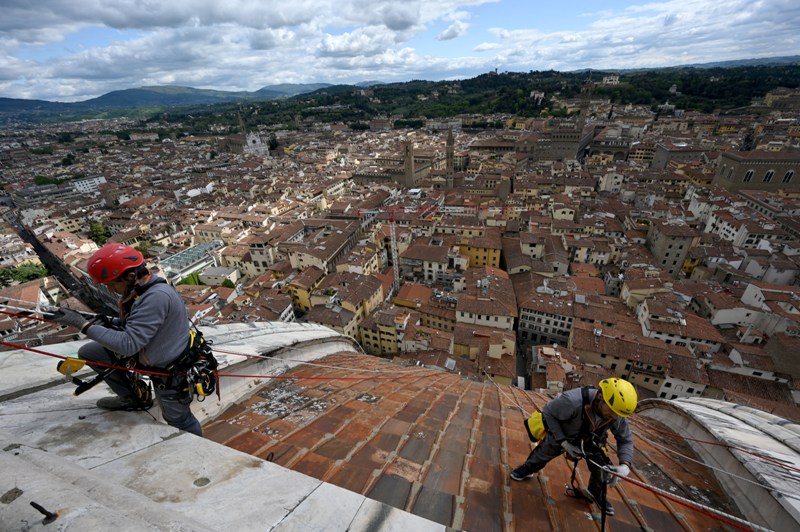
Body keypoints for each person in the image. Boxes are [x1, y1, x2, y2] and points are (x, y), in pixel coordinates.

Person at [50, 243, 202, 437]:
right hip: (152, 351)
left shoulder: (155, 297)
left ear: (130, 276)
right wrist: (107, 322)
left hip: (168, 366)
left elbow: (129, 345)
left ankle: (202, 456)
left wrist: (84, 325)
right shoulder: (142, 289)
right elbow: (137, 324)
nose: (110, 289)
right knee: (90, 352)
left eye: (112, 283)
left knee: (178, 419)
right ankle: (132, 398)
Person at [510, 378, 637, 516]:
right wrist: (563, 441)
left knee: (602, 469)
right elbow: (548, 412)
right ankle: (527, 469)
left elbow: (625, 439)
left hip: (592, 440)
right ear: (601, 397)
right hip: (565, 434)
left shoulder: (616, 413)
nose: (614, 416)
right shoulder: (573, 401)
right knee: (544, 453)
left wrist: (625, 464)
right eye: (612, 411)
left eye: (617, 413)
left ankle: (596, 492)